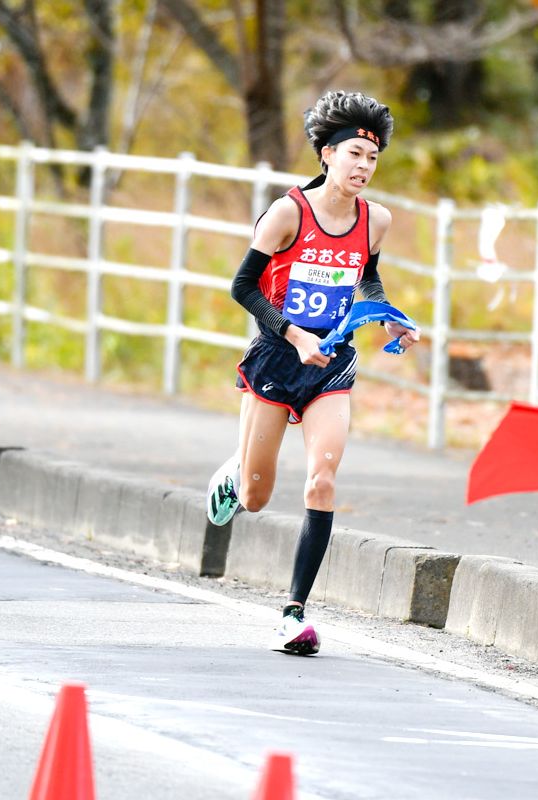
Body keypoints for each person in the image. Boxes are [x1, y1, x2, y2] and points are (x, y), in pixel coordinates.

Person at [205, 90, 419, 656]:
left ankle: (293, 614)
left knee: (323, 480)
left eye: (372, 159)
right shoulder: (288, 213)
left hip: (332, 364)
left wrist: (391, 319)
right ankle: (235, 470)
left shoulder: (376, 220)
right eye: (354, 154)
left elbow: (366, 281)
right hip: (278, 358)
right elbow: (242, 287)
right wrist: (294, 334)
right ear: (326, 154)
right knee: (255, 496)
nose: (364, 168)